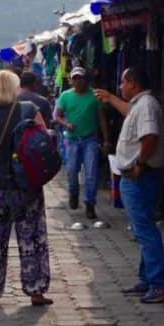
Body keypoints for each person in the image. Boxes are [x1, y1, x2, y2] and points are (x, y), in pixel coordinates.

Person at [0, 69, 53, 307]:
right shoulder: (29, 109)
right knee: (31, 237)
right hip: (25, 185)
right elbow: (44, 142)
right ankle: (35, 290)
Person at [98, 60, 164, 303]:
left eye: (123, 81)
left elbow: (150, 137)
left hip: (141, 175)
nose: (121, 85)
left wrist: (140, 163)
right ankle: (148, 278)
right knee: (142, 228)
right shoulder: (139, 106)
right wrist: (110, 98)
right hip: (138, 175)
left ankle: (158, 283)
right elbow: (129, 111)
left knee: (145, 230)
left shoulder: (146, 105)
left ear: (133, 83)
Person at [56, 64, 106, 229]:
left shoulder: (94, 96)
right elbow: (58, 116)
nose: (78, 81)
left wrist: (107, 140)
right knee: (71, 170)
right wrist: (66, 123)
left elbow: (102, 119)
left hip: (90, 139)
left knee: (91, 173)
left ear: (86, 80)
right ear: (71, 80)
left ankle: (90, 203)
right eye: (75, 78)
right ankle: (74, 192)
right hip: (72, 139)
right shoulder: (65, 96)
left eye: (80, 78)